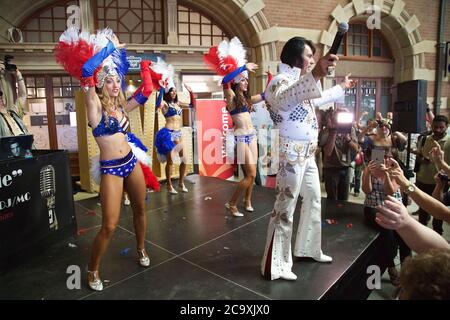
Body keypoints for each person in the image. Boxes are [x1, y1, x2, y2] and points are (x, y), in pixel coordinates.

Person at [55, 27, 158, 291]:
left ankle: (141, 248)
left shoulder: (122, 106)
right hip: (111, 169)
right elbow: (87, 71)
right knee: (109, 225)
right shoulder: (94, 106)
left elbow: (147, 91)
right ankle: (92, 269)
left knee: (140, 209)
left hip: (131, 163)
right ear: (101, 83)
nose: (114, 85)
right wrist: (111, 48)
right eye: (109, 80)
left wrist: (145, 67)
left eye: (117, 80)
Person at [259, 37, 339, 281]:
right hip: (291, 154)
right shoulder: (278, 82)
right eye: (308, 55)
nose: (312, 60)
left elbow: (317, 97)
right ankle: (274, 266)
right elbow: (284, 99)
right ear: (295, 57)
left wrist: (340, 87)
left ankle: (306, 249)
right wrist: (315, 73)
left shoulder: (298, 82)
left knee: (314, 198)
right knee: (285, 208)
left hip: (307, 154)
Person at [204, 37, 264, 216]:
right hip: (241, 139)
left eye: (246, 80)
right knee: (251, 174)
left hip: (252, 137)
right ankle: (232, 203)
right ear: (237, 81)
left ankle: (247, 200)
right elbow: (225, 81)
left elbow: (264, 95)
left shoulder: (246, 99)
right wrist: (243, 67)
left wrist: (273, 86)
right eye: (244, 80)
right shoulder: (230, 96)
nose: (246, 82)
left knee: (252, 174)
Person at [153, 59, 196, 194]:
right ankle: (169, 185)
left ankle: (181, 183)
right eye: (171, 91)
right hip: (168, 133)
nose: (173, 93)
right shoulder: (165, 104)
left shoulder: (178, 104)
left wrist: (191, 93)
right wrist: (161, 87)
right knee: (170, 161)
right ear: (167, 92)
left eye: (174, 91)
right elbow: (157, 104)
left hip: (178, 133)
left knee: (185, 159)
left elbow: (192, 106)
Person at [414, 115, 450, 235]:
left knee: (438, 215)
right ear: (431, 126)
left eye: (441, 127)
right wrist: (422, 159)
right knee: (423, 211)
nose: (438, 130)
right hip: (422, 179)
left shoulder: (448, 142)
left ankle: (437, 239)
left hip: (440, 183)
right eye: (435, 127)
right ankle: (421, 236)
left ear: (447, 127)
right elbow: (418, 155)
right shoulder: (424, 139)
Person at [0, 63, 29, 137]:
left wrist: (19, 76)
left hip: (24, 147)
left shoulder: (13, 112)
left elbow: (22, 96)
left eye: (1, 96)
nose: (1, 98)